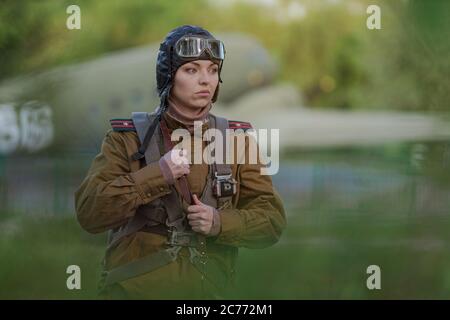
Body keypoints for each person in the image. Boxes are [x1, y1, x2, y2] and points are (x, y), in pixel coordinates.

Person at [74, 25, 286, 299]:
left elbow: (271, 222)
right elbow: (90, 213)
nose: (205, 80)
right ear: (169, 76)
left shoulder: (237, 141)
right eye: (191, 70)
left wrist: (219, 222)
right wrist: (157, 174)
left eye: (212, 70)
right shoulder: (126, 138)